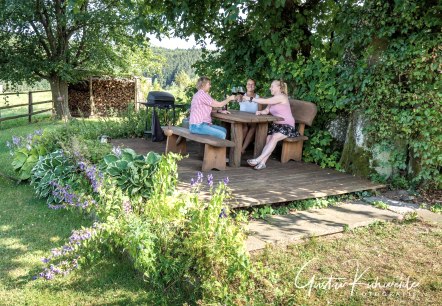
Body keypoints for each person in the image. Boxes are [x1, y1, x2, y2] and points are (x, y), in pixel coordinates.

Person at [244, 80, 300, 170]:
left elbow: (265, 101)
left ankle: (258, 159)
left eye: (272, 86)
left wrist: (250, 98)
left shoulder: (282, 97)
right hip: (277, 126)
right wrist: (261, 112)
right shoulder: (273, 98)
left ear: (279, 88)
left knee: (274, 137)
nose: (270, 88)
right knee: (269, 138)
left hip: (287, 126)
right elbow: (267, 110)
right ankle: (262, 163)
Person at [238, 79, 259, 154]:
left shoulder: (258, 97)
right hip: (242, 119)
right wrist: (237, 98)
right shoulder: (241, 96)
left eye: (252, 84)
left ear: (254, 86)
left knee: (253, 127)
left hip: (253, 119)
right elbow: (236, 99)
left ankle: (242, 149)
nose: (250, 86)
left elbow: (259, 111)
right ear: (246, 86)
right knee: (245, 128)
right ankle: (238, 146)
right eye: (248, 84)